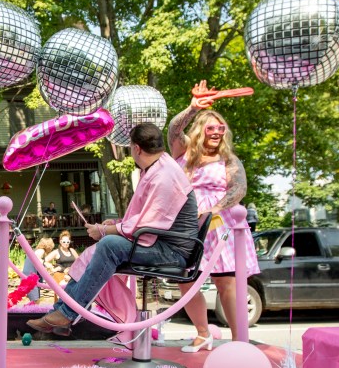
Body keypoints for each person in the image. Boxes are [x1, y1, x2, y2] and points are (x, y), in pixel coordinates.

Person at [28, 123, 199, 336]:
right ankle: (61, 314)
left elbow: (147, 224)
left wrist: (105, 230)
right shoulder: (160, 166)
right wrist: (115, 225)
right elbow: (146, 217)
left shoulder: (164, 175)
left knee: (109, 245)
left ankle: (69, 313)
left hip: (173, 252)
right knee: (97, 250)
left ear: (136, 148)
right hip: (163, 243)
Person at [168, 92, 260, 352]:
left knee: (226, 283)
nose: (217, 132)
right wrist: (192, 108)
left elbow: (238, 189)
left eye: (221, 128)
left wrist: (212, 209)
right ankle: (202, 333)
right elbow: (174, 129)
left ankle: (238, 340)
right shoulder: (183, 152)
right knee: (185, 279)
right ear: (200, 130)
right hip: (187, 225)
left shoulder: (229, 160)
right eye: (212, 127)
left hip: (220, 225)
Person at [22, 236, 55, 302]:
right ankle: (33, 311)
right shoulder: (41, 251)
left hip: (27, 275)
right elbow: (37, 259)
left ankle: (31, 310)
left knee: (33, 299)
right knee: (35, 300)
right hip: (31, 277)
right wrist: (46, 264)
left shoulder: (36, 250)